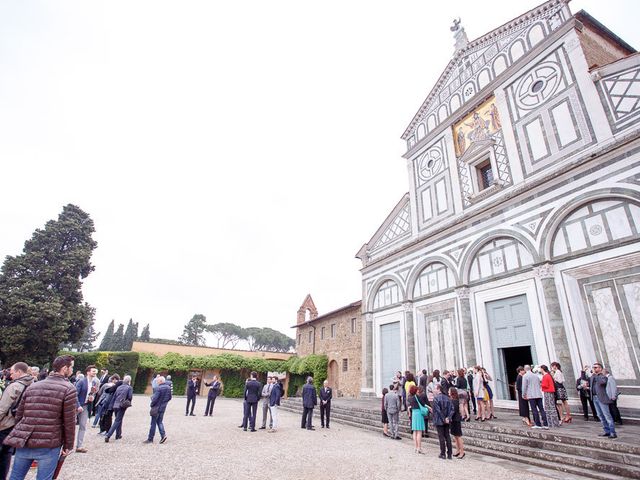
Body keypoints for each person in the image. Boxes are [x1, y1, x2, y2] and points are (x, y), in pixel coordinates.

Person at [4, 355, 77, 480]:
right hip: (49, 442)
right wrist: (68, 445)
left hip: (26, 438)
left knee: (15, 476)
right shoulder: (69, 388)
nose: (72, 371)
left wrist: (21, 432)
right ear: (65, 368)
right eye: (72, 368)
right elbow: (69, 421)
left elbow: (20, 414)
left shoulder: (33, 385)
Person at [0, 362, 34, 480]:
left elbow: (2, 408)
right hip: (20, 424)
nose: (10, 374)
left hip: (6, 424)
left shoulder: (14, 386)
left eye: (12, 372)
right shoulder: (33, 385)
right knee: (7, 454)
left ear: (19, 372)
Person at [75, 365, 98, 453]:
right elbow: (75, 394)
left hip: (85, 406)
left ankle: (79, 446)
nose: (95, 373)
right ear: (88, 372)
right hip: (76, 406)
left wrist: (91, 397)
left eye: (95, 371)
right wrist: (78, 406)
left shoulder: (94, 383)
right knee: (70, 426)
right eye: (93, 371)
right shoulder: (81, 381)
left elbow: (91, 394)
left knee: (83, 425)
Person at [590, 363, 617, 438]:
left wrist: (597, 374)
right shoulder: (593, 376)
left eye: (596, 367)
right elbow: (590, 382)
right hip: (595, 398)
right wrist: (583, 372)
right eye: (593, 367)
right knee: (600, 415)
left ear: (600, 368)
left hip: (602, 398)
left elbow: (603, 382)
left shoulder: (603, 376)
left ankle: (612, 432)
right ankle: (607, 431)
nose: (594, 369)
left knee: (607, 415)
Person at [144, 375, 172, 444]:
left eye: (157, 381)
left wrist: (152, 404)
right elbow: (170, 397)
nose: (157, 382)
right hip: (163, 407)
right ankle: (163, 435)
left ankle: (150, 438)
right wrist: (164, 403)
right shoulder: (168, 388)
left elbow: (155, 399)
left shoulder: (158, 388)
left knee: (153, 423)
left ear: (161, 381)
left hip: (156, 407)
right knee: (159, 422)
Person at [105, 375, 133, 442]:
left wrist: (111, 406)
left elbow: (114, 397)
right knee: (117, 421)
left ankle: (118, 434)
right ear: (129, 381)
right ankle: (108, 435)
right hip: (122, 405)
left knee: (119, 419)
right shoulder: (129, 388)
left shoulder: (119, 387)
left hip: (115, 405)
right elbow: (130, 397)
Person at [522, 365, 548, 429]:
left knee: (534, 410)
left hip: (531, 395)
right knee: (541, 409)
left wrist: (523, 394)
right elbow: (539, 384)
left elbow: (524, 386)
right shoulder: (536, 375)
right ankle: (545, 424)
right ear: (530, 369)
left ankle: (538, 424)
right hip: (538, 394)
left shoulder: (525, 376)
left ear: (525, 369)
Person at [433, 384, 454, 460]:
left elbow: (438, 410)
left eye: (435, 388)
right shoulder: (448, 398)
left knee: (441, 436)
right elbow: (452, 409)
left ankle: (443, 453)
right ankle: (449, 454)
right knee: (447, 436)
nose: (434, 390)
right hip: (447, 419)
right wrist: (448, 418)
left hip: (439, 420)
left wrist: (444, 418)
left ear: (438, 389)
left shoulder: (436, 399)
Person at [409, 385, 428, 454]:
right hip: (419, 413)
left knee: (415, 431)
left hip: (414, 413)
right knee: (419, 432)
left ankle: (416, 447)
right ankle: (419, 448)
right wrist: (430, 408)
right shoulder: (417, 397)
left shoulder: (410, 398)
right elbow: (423, 404)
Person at [449, 388, 465, 459]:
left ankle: (462, 451)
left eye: (449, 391)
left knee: (458, 436)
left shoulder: (454, 401)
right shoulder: (453, 400)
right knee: (455, 436)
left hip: (456, 419)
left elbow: (453, 410)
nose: (448, 392)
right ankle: (458, 450)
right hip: (454, 419)